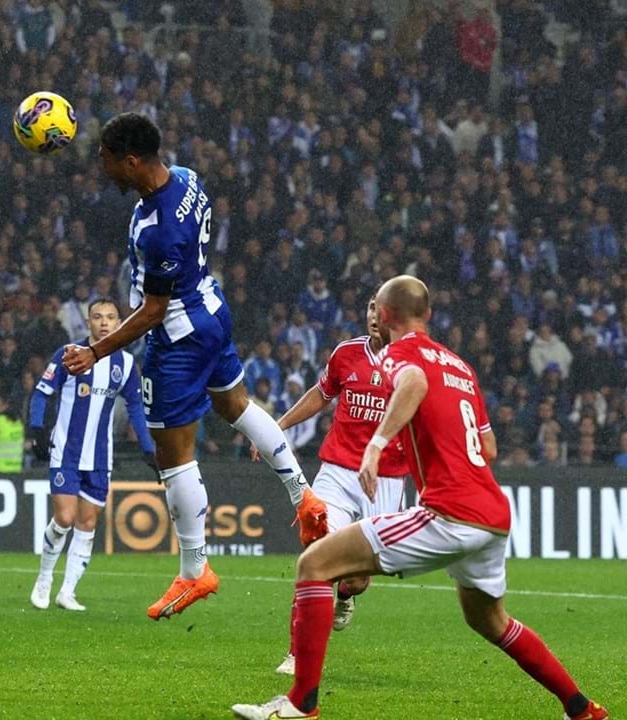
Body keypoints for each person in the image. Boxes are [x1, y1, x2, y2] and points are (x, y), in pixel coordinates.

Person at [232, 276, 609, 720]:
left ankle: (300, 704)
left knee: (314, 564)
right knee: (491, 622)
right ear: (427, 313)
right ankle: (581, 708)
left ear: (385, 315)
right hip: (492, 513)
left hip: (449, 512)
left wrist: (377, 444)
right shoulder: (460, 366)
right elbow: (488, 449)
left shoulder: (401, 354)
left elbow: (411, 383)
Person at [62, 113, 327, 621]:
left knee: (174, 455)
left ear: (132, 160)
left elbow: (153, 310)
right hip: (212, 310)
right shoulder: (187, 178)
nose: (104, 169)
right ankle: (303, 495)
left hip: (178, 338)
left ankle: (194, 569)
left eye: (108, 160)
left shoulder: (156, 230)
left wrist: (96, 351)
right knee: (235, 404)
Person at [263, 297, 409, 676]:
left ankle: (346, 596)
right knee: (316, 556)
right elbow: (320, 395)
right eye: (372, 307)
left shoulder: (413, 364)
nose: (376, 316)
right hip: (338, 471)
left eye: (384, 309)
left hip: (386, 479)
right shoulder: (346, 353)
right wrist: (278, 426)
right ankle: (297, 654)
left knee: (359, 578)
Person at [28, 298, 155, 611]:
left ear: (119, 323)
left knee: (86, 523)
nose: (104, 323)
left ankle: (67, 591)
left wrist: (149, 447)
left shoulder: (124, 364)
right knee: (65, 518)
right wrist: (38, 431)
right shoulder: (70, 353)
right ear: (88, 322)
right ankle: (44, 579)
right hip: (66, 452)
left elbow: (136, 408)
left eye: (111, 317)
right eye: (97, 317)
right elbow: (42, 393)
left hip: (99, 457)